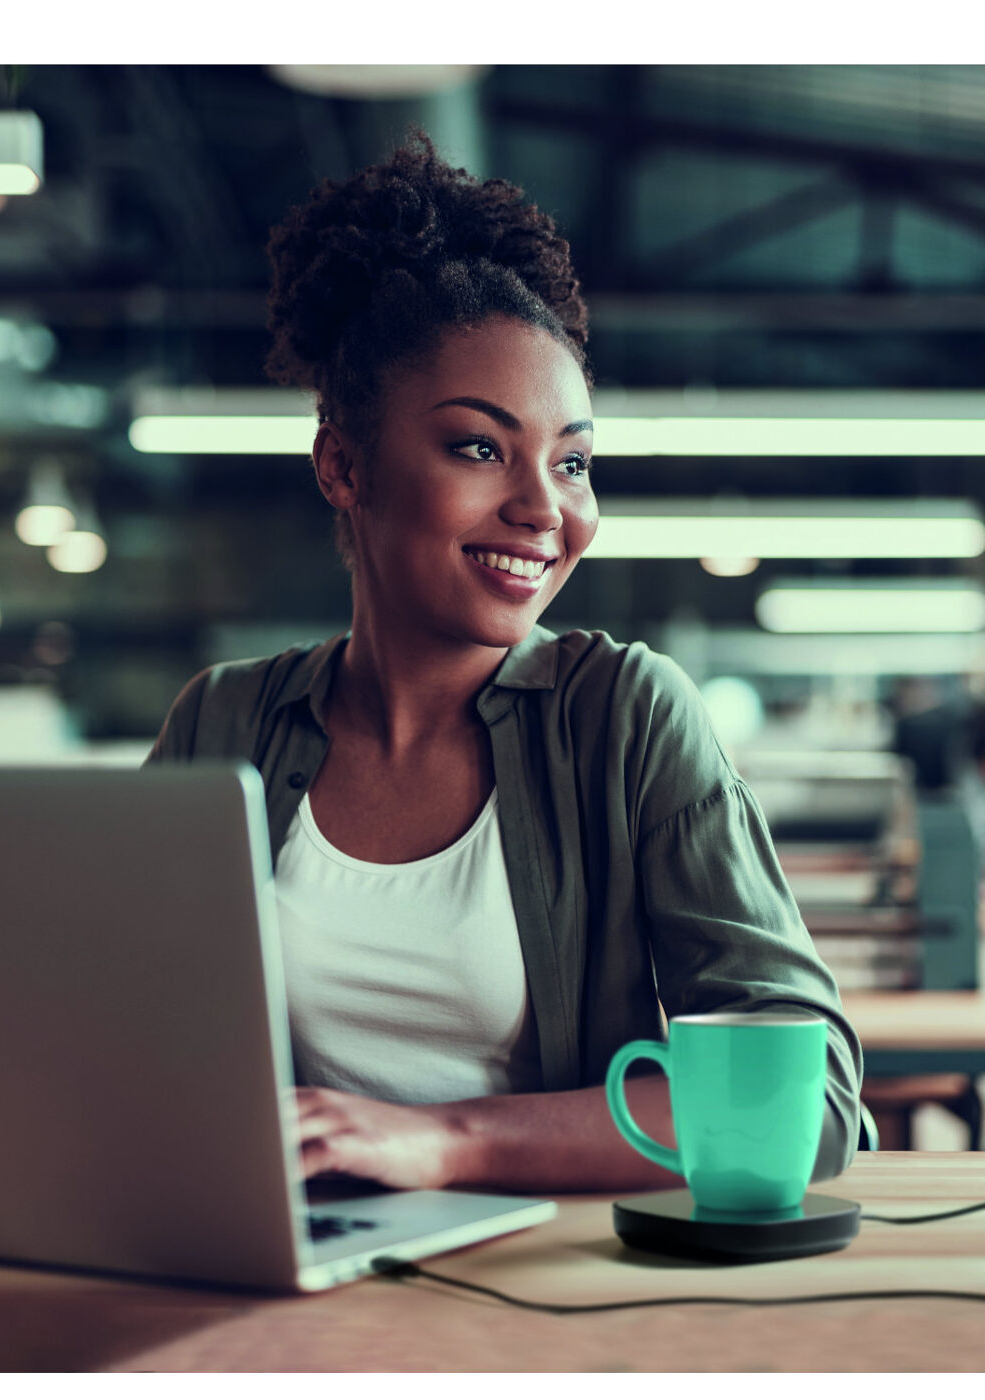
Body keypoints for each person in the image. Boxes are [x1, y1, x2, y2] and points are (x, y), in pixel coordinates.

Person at [145, 134, 863, 1195]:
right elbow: (116, 1043)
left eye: (570, 461)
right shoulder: (223, 722)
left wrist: (448, 1140)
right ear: (343, 463)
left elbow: (805, 1101)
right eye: (479, 447)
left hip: (536, 1285)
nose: (544, 508)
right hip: (283, 1272)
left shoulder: (620, 714)